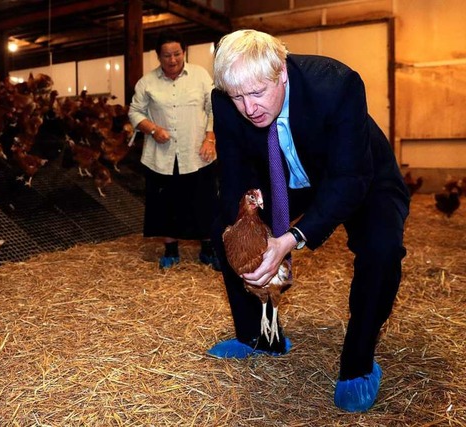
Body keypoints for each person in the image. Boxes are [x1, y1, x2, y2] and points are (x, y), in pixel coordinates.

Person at [207, 29, 410, 412]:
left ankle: (358, 364)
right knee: (225, 228)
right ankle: (258, 337)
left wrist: (291, 238)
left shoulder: (337, 85)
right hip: (283, 174)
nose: (248, 108)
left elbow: (350, 179)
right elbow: (233, 171)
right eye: (237, 97)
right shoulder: (225, 98)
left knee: (381, 250)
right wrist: (242, 227)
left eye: (256, 93)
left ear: (281, 72)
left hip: (358, 172)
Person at [128, 29, 220, 270]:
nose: (172, 60)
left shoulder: (200, 76)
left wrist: (210, 138)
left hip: (197, 152)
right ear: (158, 56)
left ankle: (208, 250)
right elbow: (134, 112)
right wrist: (152, 129)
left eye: (177, 54)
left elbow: (214, 108)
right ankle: (171, 251)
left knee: (204, 202)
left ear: (184, 52)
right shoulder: (147, 83)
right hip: (162, 155)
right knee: (166, 204)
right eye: (166, 55)